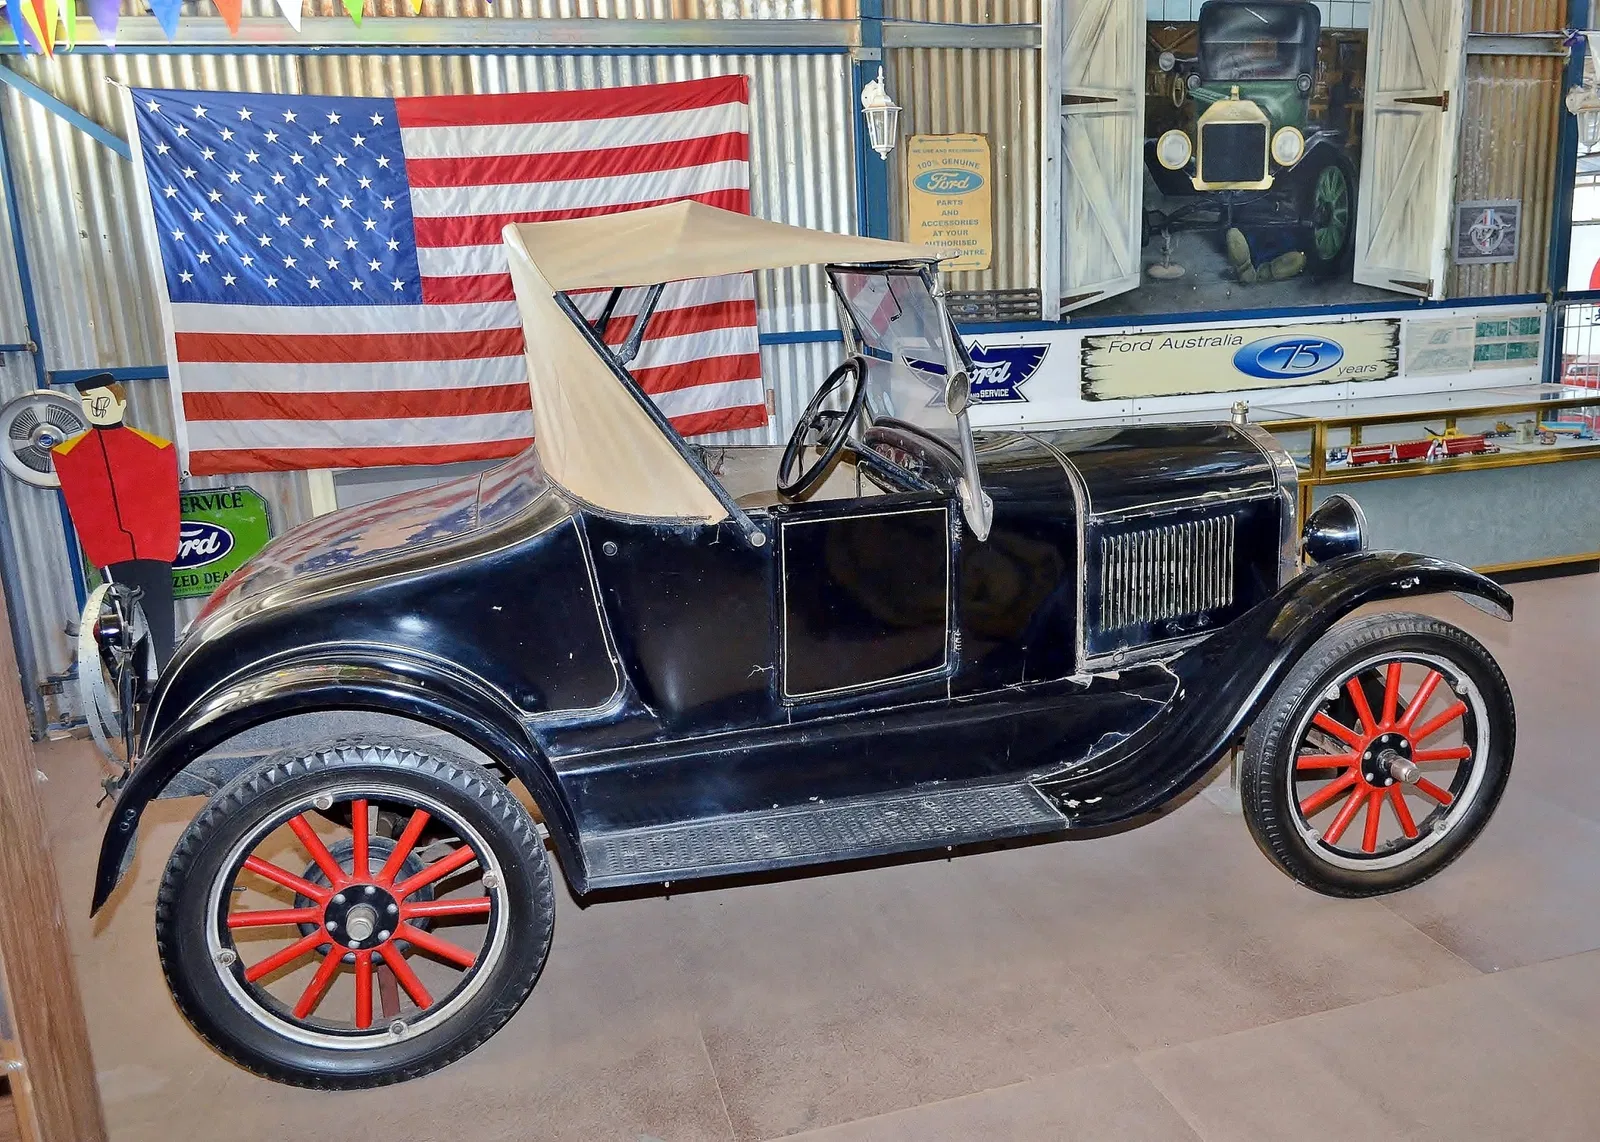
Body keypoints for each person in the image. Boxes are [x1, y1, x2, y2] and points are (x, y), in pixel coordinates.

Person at [51, 374, 180, 667]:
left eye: (103, 400)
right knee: (121, 628)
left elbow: (166, 502)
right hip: (108, 549)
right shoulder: (69, 454)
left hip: (153, 547)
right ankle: (130, 682)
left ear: (120, 403)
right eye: (89, 402)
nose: (96, 407)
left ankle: (165, 680)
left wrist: (163, 546)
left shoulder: (155, 448)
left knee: (161, 627)